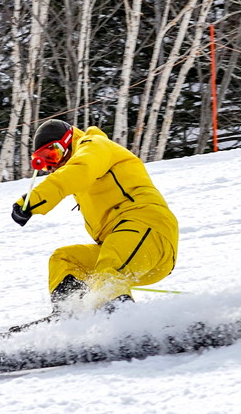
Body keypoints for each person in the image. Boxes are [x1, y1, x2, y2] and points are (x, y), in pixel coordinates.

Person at [12, 119, 178, 315]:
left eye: (54, 154)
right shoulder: (77, 167)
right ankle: (71, 314)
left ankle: (122, 322)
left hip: (148, 228)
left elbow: (79, 170)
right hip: (128, 248)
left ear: (69, 141)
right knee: (65, 259)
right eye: (46, 162)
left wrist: (34, 199)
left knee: (109, 269)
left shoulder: (94, 146)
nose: (52, 166)